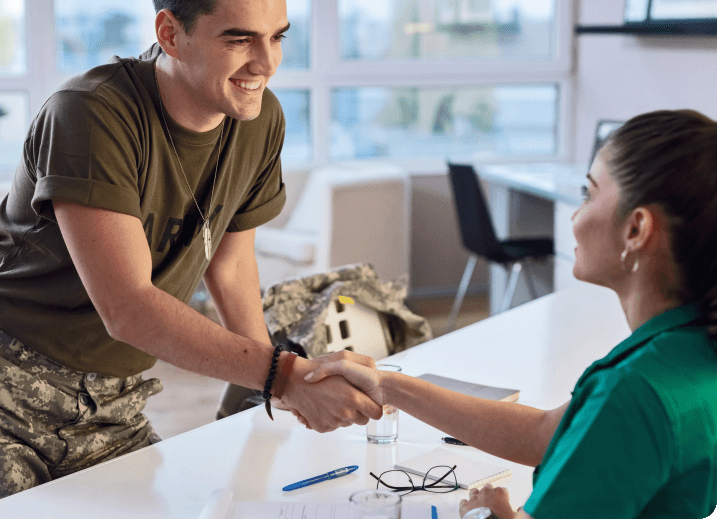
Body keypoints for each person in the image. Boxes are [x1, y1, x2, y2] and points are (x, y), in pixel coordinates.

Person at [0, 0, 380, 517]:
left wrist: (268, 388)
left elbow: (230, 266)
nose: (266, 63)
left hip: (110, 403)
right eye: (239, 39)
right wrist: (281, 374)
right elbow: (128, 308)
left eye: (278, 36)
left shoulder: (260, 120)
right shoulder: (89, 114)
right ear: (171, 32)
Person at [304, 109, 717, 518]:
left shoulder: (629, 393)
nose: (575, 216)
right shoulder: (689, 350)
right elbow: (548, 434)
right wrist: (387, 386)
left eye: (588, 194)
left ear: (637, 230)